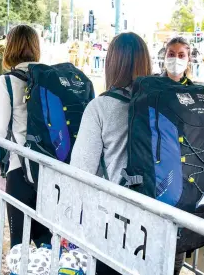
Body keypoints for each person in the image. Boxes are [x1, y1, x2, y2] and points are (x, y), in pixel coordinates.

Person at [71, 32, 152, 275]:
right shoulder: (158, 105)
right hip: (157, 221)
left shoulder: (101, 107)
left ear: (112, 63)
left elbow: (81, 170)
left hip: (114, 224)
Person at [0, 24, 51, 248]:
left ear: (10, 48)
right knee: (46, 241)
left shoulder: (7, 82)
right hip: (52, 170)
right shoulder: (49, 78)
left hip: (21, 169)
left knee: (20, 244)